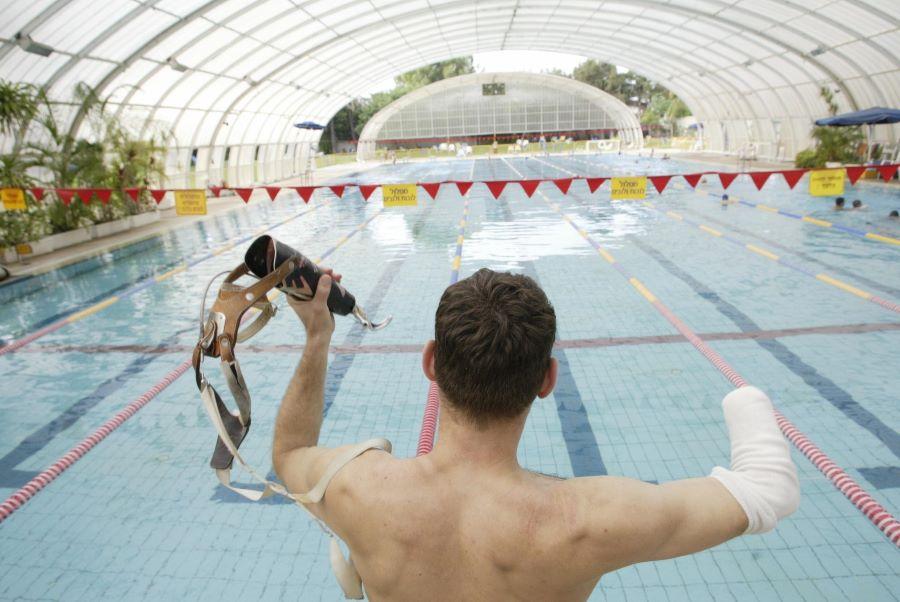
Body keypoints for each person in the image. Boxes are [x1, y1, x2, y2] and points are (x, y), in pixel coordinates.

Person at [272, 269, 800, 601]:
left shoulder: (357, 488)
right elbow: (767, 491)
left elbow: (289, 453)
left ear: (431, 363)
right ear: (547, 379)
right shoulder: (589, 520)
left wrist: (318, 333)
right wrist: (746, 397)